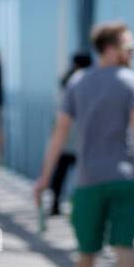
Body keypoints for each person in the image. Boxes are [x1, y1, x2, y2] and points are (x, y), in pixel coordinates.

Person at [32, 22, 134, 267]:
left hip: (87, 180)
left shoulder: (78, 83)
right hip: (125, 178)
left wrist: (45, 177)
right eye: (129, 48)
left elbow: (59, 132)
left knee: (86, 252)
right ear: (111, 49)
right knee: (125, 247)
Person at [46, 51, 91, 215]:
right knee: (83, 175)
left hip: (66, 136)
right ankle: (79, 206)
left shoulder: (68, 81)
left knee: (60, 173)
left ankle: (55, 204)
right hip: (83, 137)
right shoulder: (91, 81)